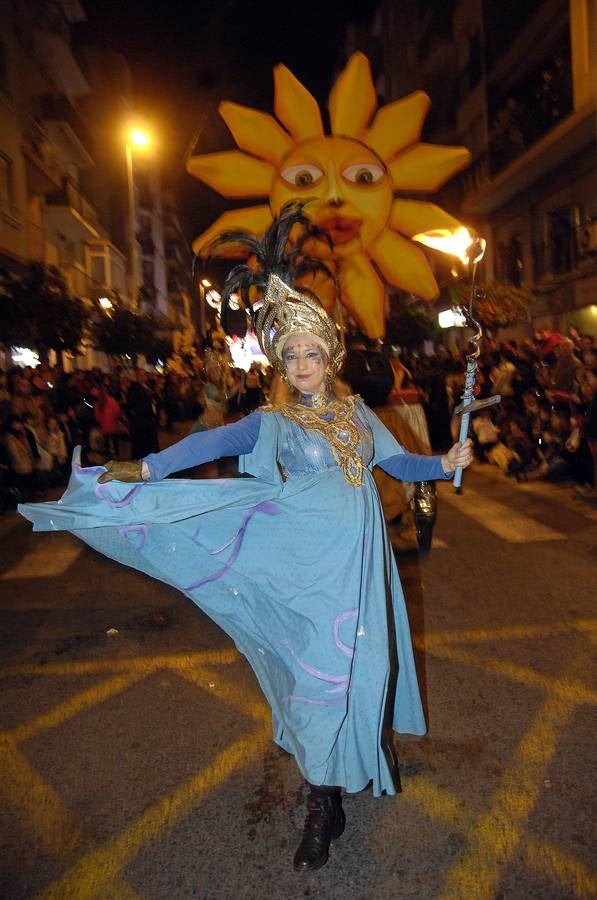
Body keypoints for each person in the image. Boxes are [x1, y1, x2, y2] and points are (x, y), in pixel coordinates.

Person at [19, 206, 472, 873]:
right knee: (318, 681)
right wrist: (144, 467)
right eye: (290, 355)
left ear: (329, 356)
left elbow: (397, 465)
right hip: (302, 570)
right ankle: (324, 800)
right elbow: (207, 441)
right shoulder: (270, 422)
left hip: (357, 563)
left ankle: (363, 745)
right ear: (281, 363)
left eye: (310, 353)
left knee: (364, 667)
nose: (301, 363)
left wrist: (444, 463)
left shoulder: (355, 413)